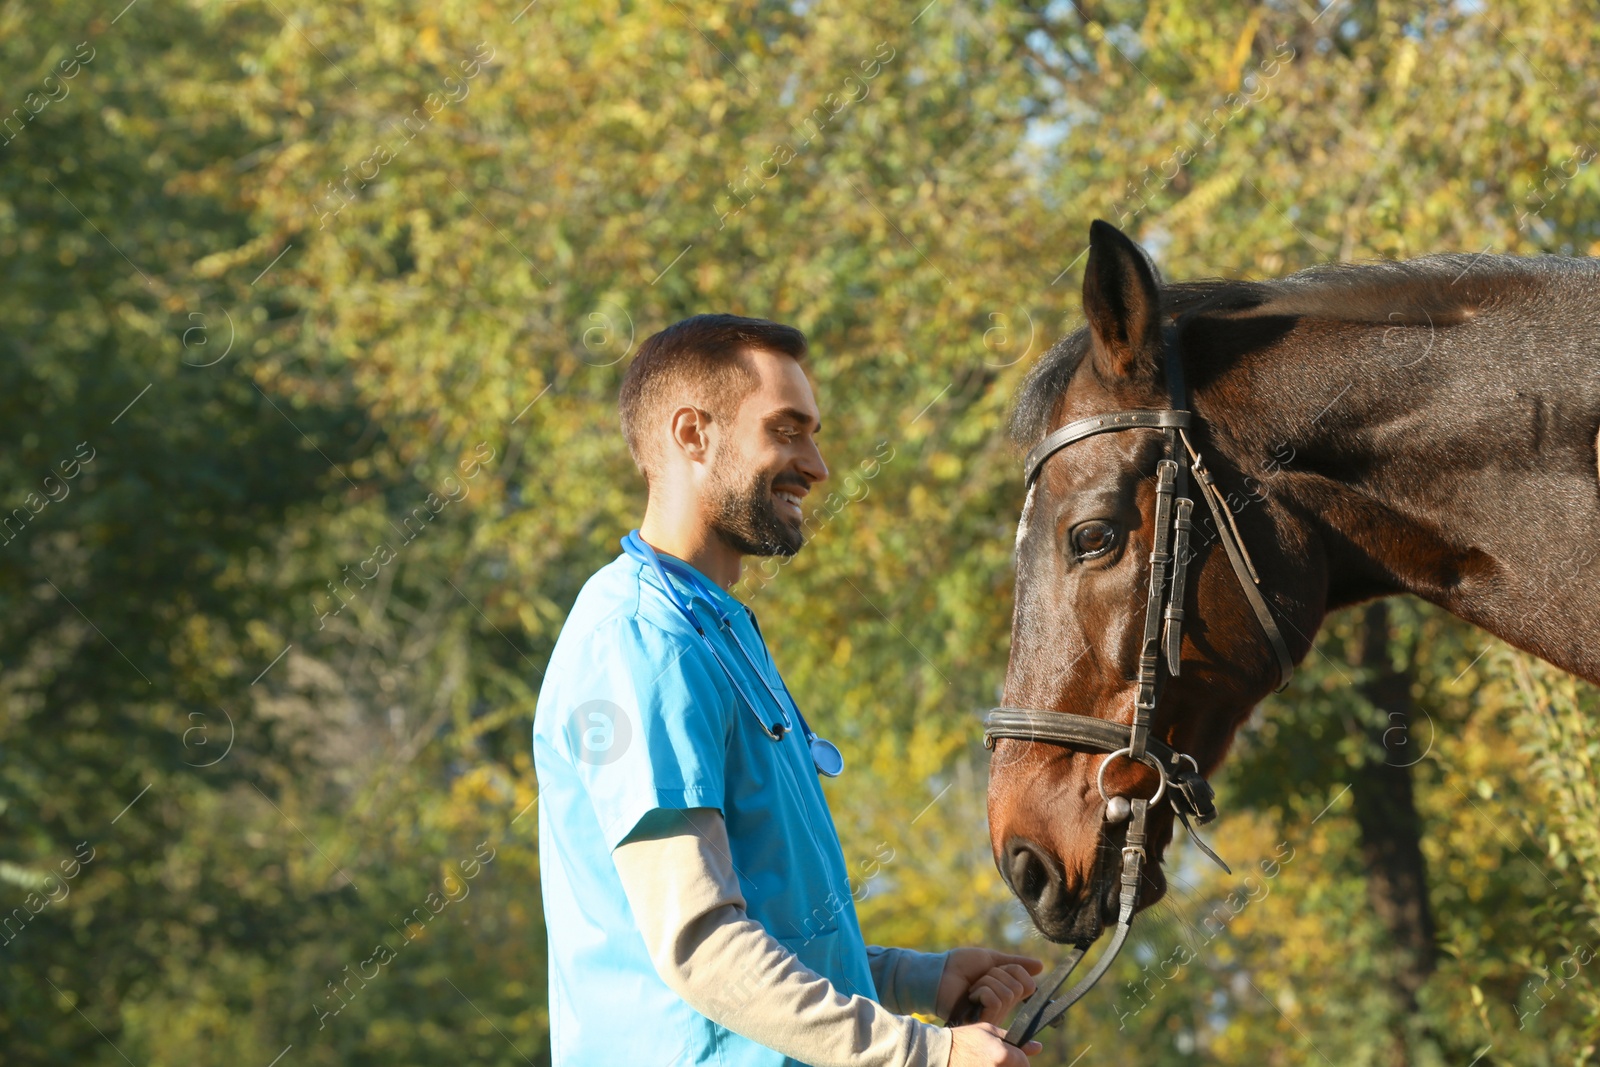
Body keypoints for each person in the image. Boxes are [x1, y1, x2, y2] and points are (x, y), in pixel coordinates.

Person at [534, 313, 1044, 1066]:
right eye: (787, 430)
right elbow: (701, 946)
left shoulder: (715, 626)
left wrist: (917, 978)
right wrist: (924, 1054)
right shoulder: (636, 639)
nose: (818, 463)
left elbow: (767, 933)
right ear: (692, 434)